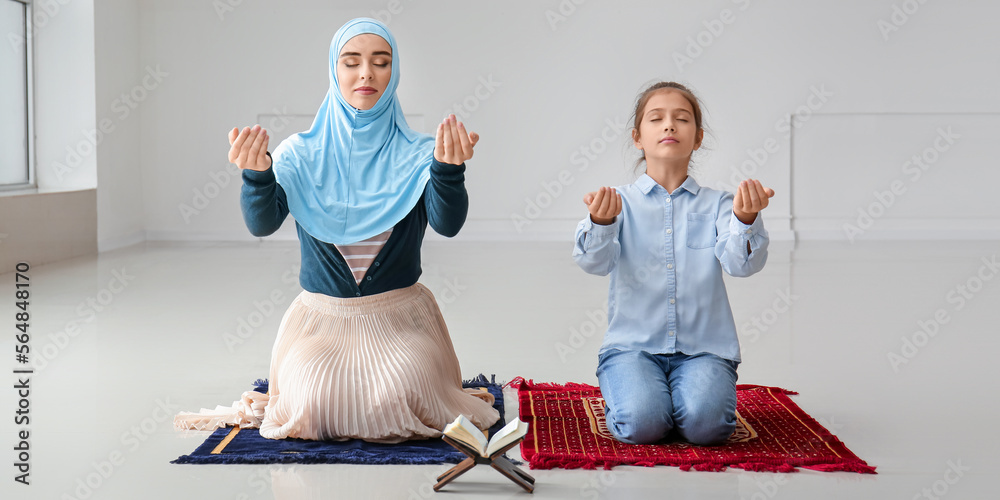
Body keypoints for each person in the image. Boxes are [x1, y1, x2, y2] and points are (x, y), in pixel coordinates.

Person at [175, 18, 498, 443]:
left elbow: (448, 225)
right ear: (335, 71)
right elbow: (263, 223)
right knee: (312, 396)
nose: (366, 73)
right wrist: (257, 176)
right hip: (322, 322)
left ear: (394, 73)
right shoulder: (299, 153)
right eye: (352, 62)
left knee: (407, 388)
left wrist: (449, 170)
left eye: (380, 62)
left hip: (401, 319)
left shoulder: (423, 152)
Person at [573, 82, 774, 446]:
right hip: (632, 347)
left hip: (705, 349)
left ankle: (678, 400)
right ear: (638, 137)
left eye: (682, 119)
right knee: (643, 425)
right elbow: (593, 263)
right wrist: (601, 223)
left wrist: (744, 218)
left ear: (697, 138)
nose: (669, 126)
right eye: (657, 119)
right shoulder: (617, 202)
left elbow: (741, 266)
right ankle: (631, 396)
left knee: (708, 428)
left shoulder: (719, 204)